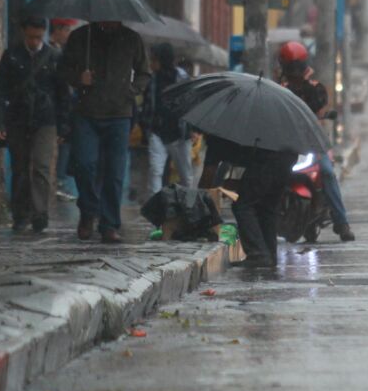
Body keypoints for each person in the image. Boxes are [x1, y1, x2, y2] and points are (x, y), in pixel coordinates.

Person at [58, 19, 150, 243]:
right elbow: (62, 69)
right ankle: (88, 211)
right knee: (84, 164)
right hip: (86, 111)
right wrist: (79, 78)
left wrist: (132, 89)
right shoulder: (81, 37)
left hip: (119, 113)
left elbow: (144, 73)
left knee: (115, 172)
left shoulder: (131, 39)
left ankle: (109, 224)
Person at [0, 15, 66, 232]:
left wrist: (63, 125)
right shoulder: (12, 56)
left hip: (45, 119)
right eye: (31, 36)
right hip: (17, 118)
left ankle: (40, 213)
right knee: (20, 167)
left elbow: (62, 93)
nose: (34, 41)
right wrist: (0, 121)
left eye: (38, 37)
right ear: (24, 32)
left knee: (41, 167)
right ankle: (20, 214)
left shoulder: (52, 57)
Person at [276, 41, 355, 241]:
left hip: (314, 142)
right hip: (286, 142)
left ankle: (341, 222)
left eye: (297, 67)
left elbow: (321, 110)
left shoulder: (316, 88)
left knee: (327, 173)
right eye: (290, 67)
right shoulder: (278, 90)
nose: (294, 72)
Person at [205, 135, 294, 265]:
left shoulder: (217, 135)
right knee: (268, 207)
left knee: (242, 206)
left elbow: (208, 173)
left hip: (266, 161)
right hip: (286, 158)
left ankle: (258, 253)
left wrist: (202, 197)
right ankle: (269, 254)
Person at [143, 42, 197, 194]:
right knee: (156, 171)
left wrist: (192, 128)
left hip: (179, 135)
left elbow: (191, 104)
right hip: (158, 132)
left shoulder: (182, 79)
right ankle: (156, 208)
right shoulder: (152, 81)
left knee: (186, 176)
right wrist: (147, 129)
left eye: (154, 60)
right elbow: (148, 107)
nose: (151, 64)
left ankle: (189, 207)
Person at [49, 18, 80, 199]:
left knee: (66, 144)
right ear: (58, 30)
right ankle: (59, 181)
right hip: (56, 106)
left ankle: (60, 180)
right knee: (63, 145)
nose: (69, 34)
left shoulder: (63, 51)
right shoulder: (53, 52)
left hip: (65, 106)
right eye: (67, 30)